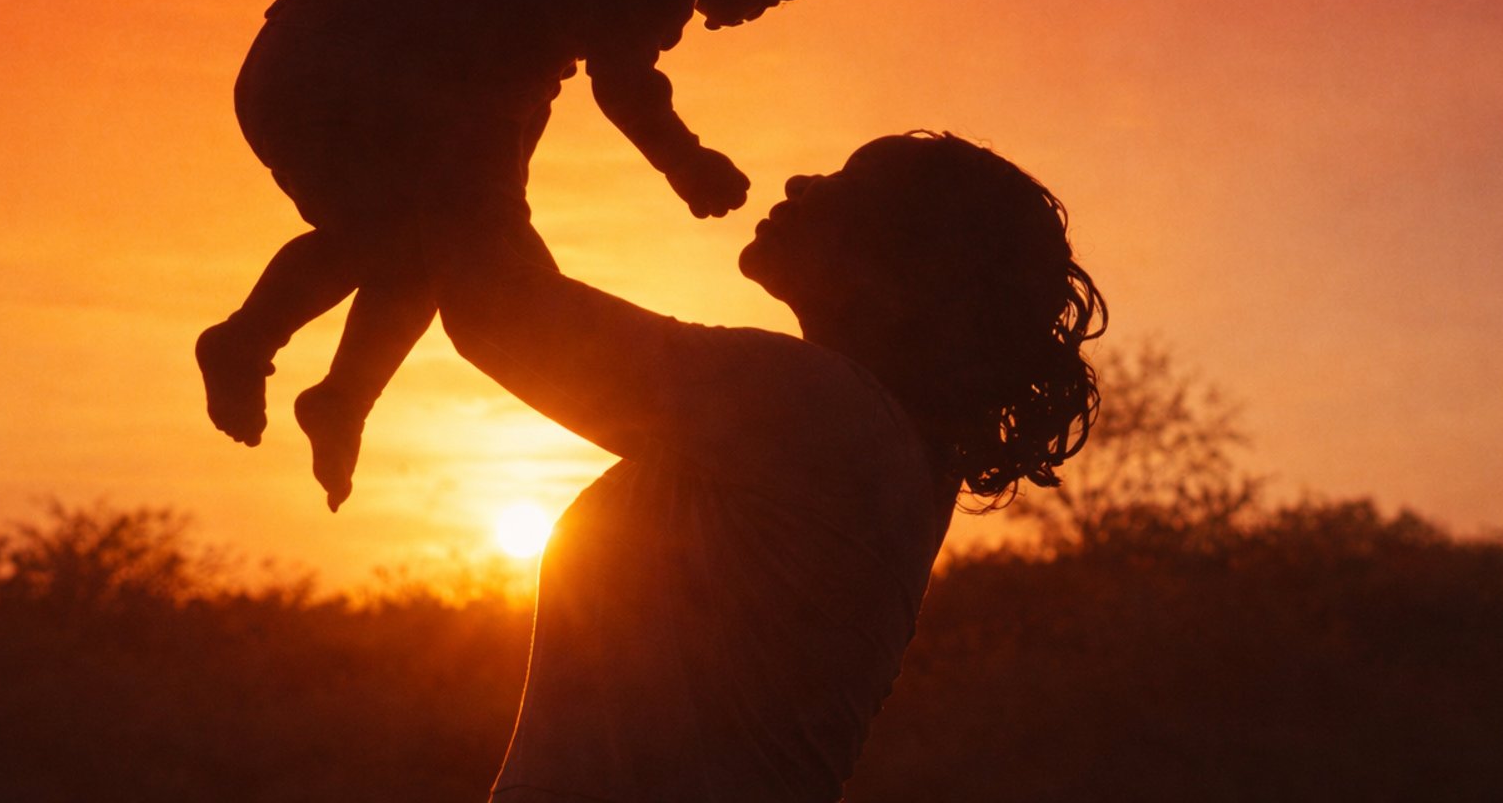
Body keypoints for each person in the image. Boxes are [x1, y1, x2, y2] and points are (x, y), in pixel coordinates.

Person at [196, 0, 866, 510]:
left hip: (338, 55)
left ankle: (339, 395)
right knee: (426, 243)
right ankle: (252, 342)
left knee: (426, 246)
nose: (755, 11)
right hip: (352, 64)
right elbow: (623, 83)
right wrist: (686, 160)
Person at [423, 131, 1105, 802]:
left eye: (851, 179)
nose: (803, 182)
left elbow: (497, 309)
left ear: (908, 263)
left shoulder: (818, 411)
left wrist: (492, 110)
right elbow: (526, 293)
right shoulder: (874, 445)